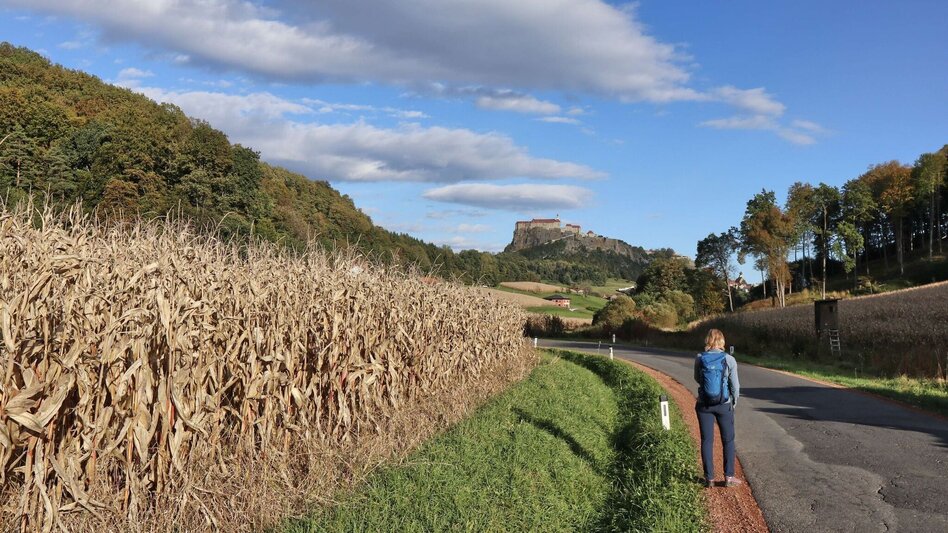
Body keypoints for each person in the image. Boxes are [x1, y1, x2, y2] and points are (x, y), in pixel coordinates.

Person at [694, 328, 741, 487]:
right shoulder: (729, 359)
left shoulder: (700, 358)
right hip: (723, 405)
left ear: (708, 340)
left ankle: (709, 479)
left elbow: (697, 378)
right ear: (722, 341)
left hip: (704, 404)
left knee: (707, 440)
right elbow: (735, 387)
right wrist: (733, 402)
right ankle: (729, 477)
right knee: (728, 440)